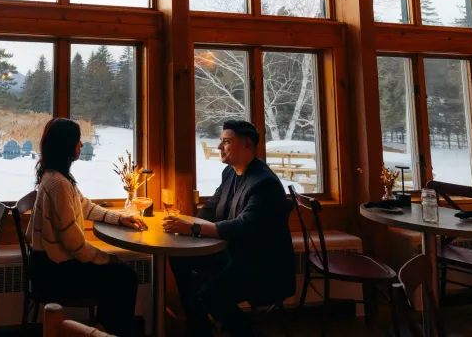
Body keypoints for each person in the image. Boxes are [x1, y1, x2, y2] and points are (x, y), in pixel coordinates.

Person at [162, 120, 296, 336]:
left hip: (262, 264)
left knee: (211, 294)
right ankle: (199, 330)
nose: (219, 147)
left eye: (226, 142)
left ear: (246, 146)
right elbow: (210, 208)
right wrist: (186, 229)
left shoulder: (265, 183)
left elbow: (244, 226)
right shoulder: (230, 173)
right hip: (235, 253)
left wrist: (194, 230)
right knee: (179, 256)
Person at [26, 118, 145, 337]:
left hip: (48, 263)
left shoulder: (58, 177)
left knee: (121, 275)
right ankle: (106, 332)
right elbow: (74, 243)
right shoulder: (58, 184)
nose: (81, 145)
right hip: (52, 272)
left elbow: (85, 206)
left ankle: (103, 329)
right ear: (67, 145)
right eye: (77, 140)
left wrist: (119, 218)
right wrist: (107, 258)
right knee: (125, 277)